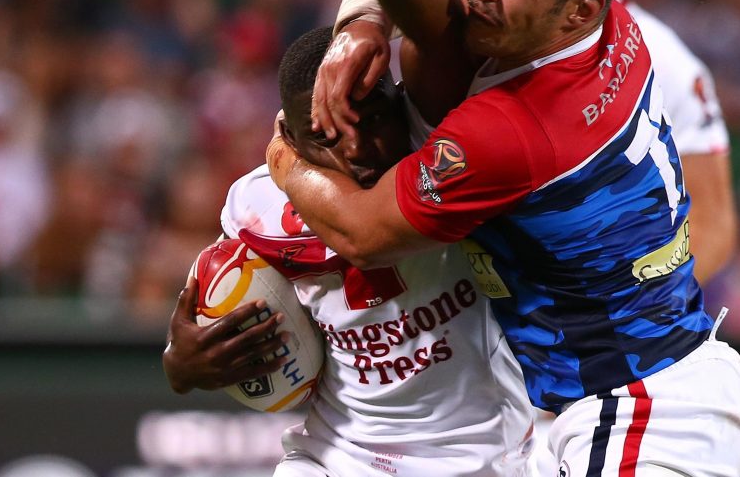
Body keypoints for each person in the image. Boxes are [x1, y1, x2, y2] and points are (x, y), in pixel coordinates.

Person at [271, 0, 740, 476]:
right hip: (673, 389)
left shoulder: (513, 131)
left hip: (645, 414)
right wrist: (364, 22)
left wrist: (285, 154)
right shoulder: (599, 21)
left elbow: (361, 234)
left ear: (578, 7)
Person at [315, 0, 736, 284]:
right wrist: (362, 20)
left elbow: (713, 225)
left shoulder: (662, 62)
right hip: (433, 238)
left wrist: (628, 313)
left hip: (507, 284)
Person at [163, 26, 534, 477]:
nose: (356, 149)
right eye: (324, 135)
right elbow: (219, 304)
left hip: (481, 457)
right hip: (333, 455)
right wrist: (183, 363)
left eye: (372, 118)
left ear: (401, 104)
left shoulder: (446, 158)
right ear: (291, 142)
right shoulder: (253, 207)